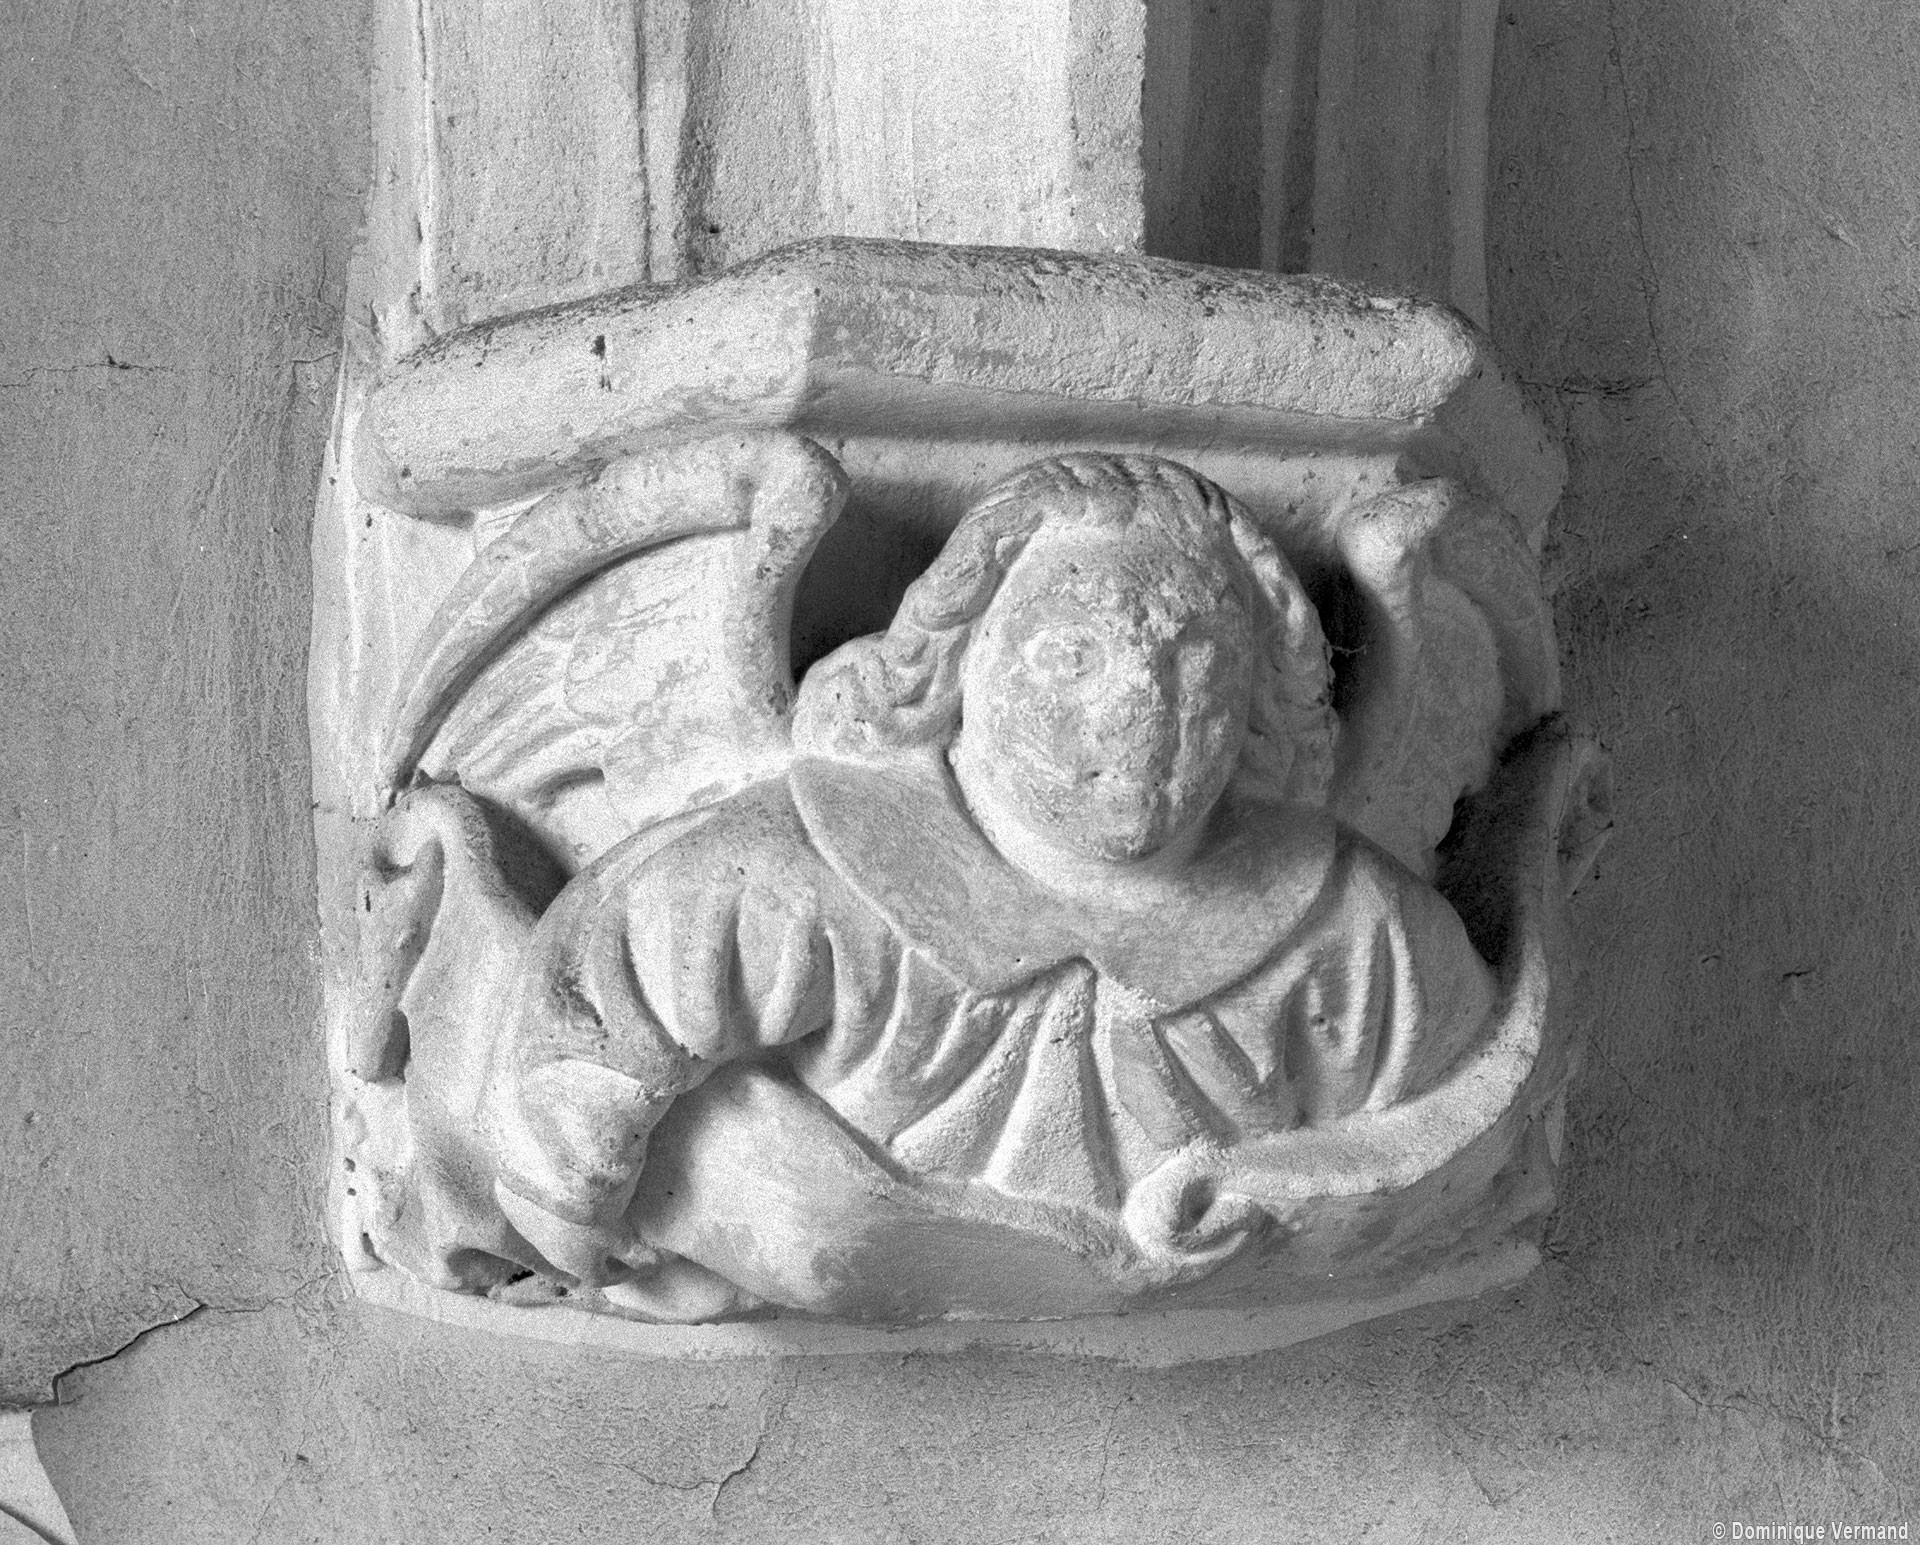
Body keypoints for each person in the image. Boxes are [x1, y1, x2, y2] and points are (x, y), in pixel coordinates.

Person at [437, 453, 1499, 1319]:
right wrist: (580, 1195)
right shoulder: (798, 881)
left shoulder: (1350, 930)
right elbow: (572, 1071)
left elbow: (1464, 1120)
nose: (1143, 709)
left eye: (1199, 661)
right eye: (1073, 657)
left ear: (1262, 690)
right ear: (961, 663)